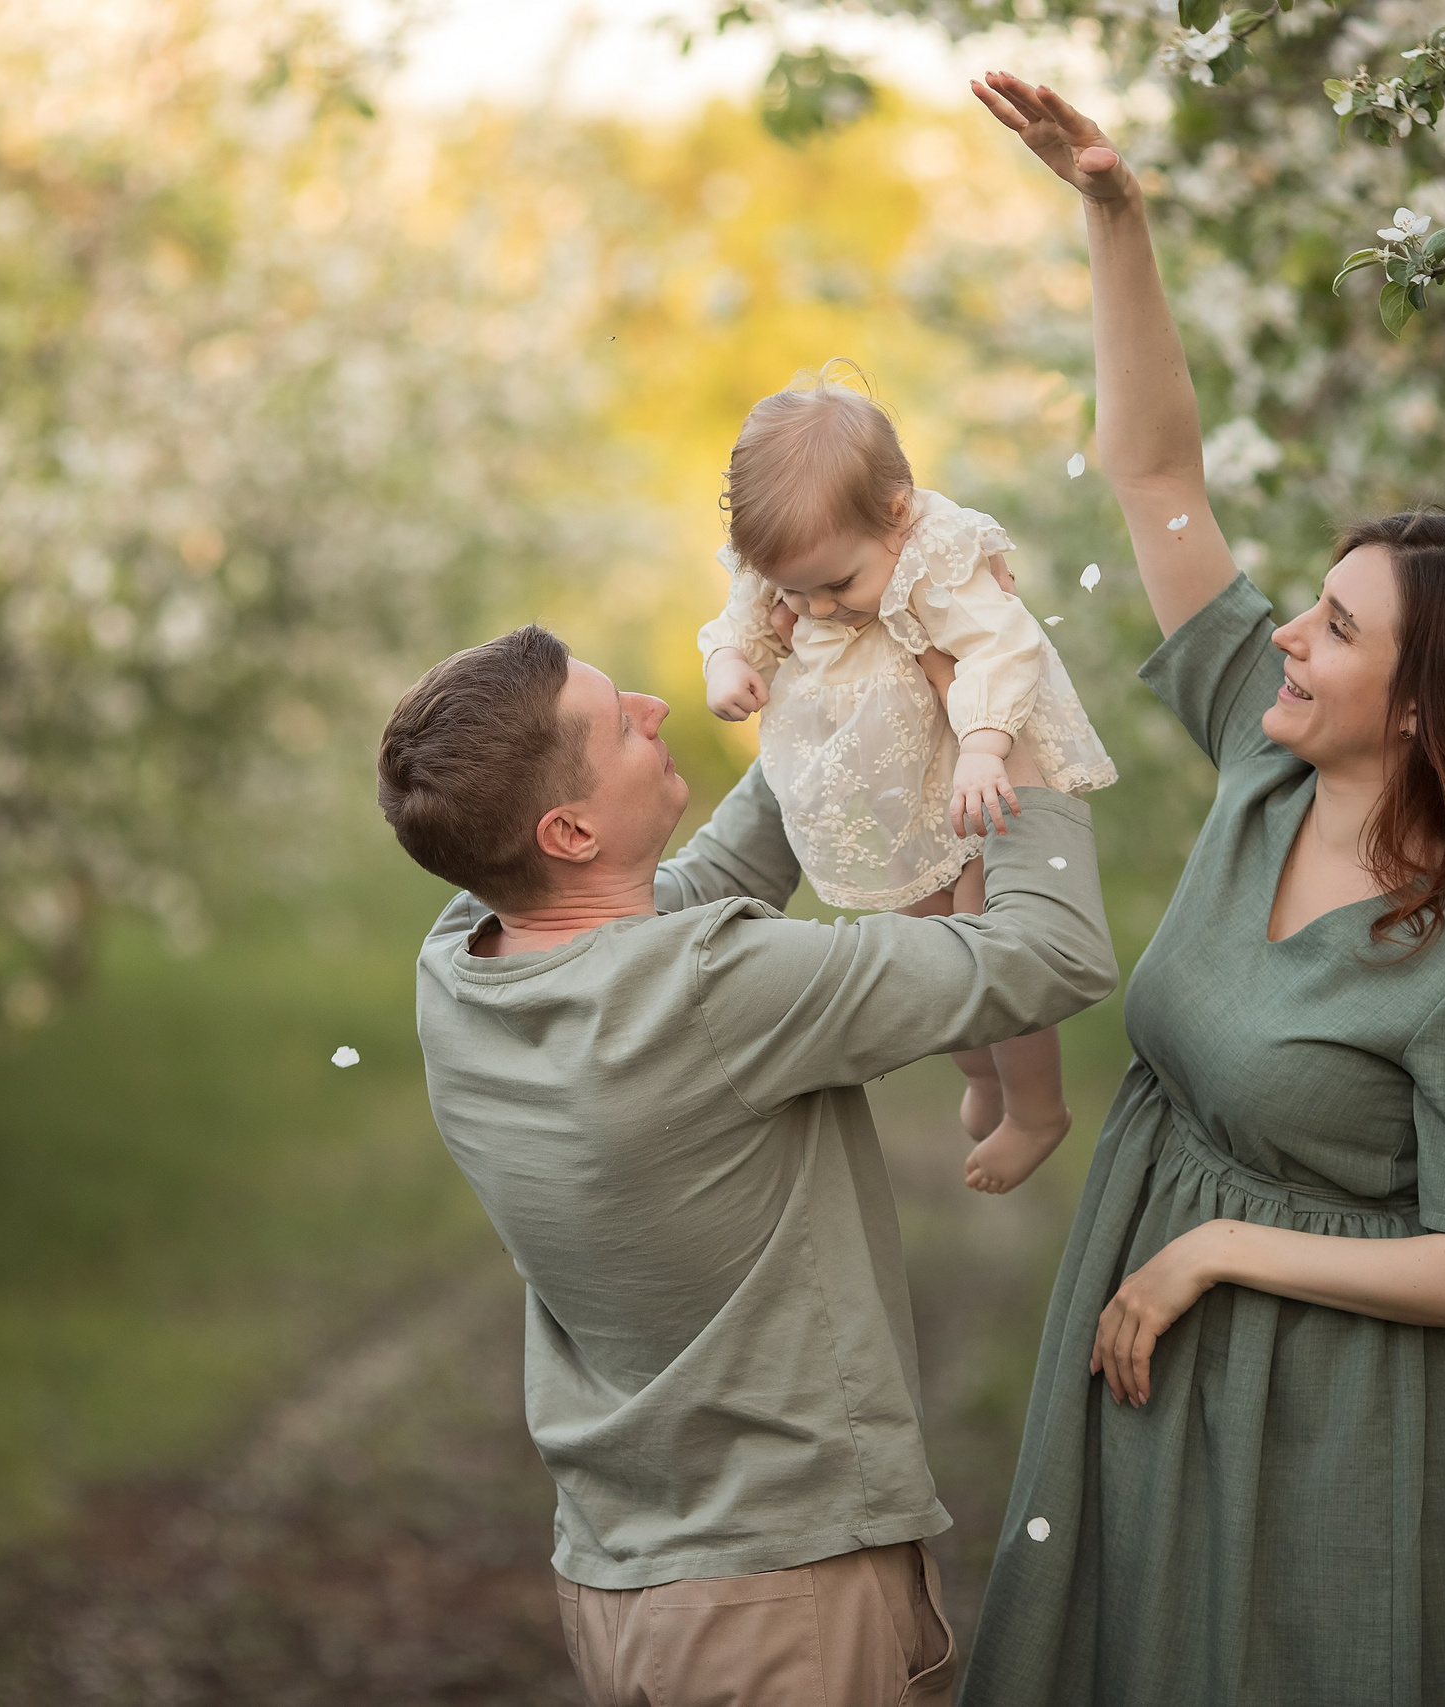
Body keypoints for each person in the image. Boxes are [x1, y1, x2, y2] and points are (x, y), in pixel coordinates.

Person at [956, 73, 1445, 1705]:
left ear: (1420, 709)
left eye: (1333, 627)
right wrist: (1117, 213)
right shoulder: (1271, 759)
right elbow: (1157, 474)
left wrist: (1220, 1252)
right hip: (1144, 1302)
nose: (1288, 640)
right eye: (1304, 608)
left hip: (1319, 1401)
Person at [377, 623, 1119, 1706]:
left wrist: (844, 685)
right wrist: (1021, 739)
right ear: (570, 827)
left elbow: (710, 876)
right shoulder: (712, 991)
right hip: (778, 1604)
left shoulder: (463, 963)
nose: (654, 708)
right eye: (615, 721)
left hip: (623, 1578)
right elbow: (1049, 956)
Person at [700, 374, 1118, 1194]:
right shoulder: (799, 559)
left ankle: (1037, 1107)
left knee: (991, 939)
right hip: (891, 793)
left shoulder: (935, 553)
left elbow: (1003, 647)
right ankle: (983, 1077)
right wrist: (727, 666)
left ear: (895, 515)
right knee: (939, 961)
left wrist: (987, 747)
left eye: (837, 585)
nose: (817, 610)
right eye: (795, 591)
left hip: (967, 769)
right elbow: (741, 624)